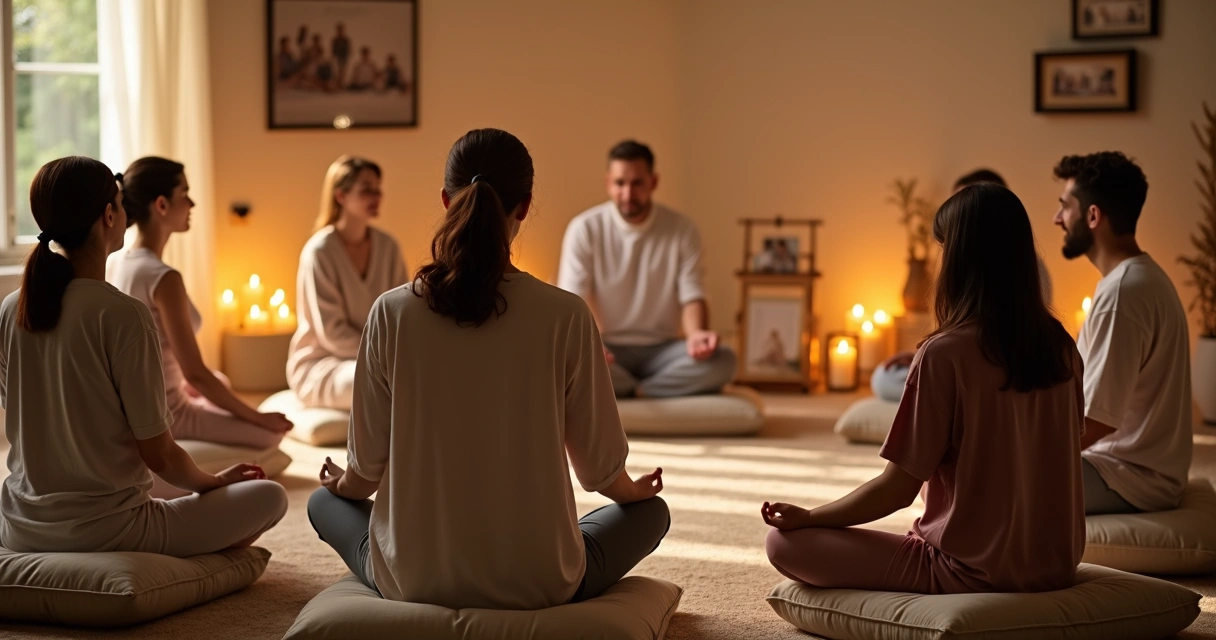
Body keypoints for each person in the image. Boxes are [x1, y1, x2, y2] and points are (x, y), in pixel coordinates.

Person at [306, 128, 669, 609]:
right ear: (525, 205)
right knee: (651, 514)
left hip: (411, 578)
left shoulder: (390, 313)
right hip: (541, 580)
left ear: (445, 200)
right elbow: (601, 473)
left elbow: (364, 474)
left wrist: (340, 485)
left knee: (321, 502)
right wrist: (633, 491)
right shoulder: (566, 314)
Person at [763, 183, 1085, 594]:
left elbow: (896, 490)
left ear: (960, 260)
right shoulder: (1062, 345)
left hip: (967, 571)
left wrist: (811, 518)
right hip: (1055, 568)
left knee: (783, 544)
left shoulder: (944, 353)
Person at [0, 156, 287, 556]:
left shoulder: (12, 307)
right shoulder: (122, 314)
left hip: (20, 527)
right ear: (109, 215)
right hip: (112, 530)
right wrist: (216, 483)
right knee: (270, 496)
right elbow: (160, 455)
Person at [107, 157, 291, 449]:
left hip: (137, 400)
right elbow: (194, 372)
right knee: (270, 435)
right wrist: (259, 417)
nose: (192, 204)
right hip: (168, 412)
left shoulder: (119, 261)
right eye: (184, 194)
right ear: (162, 205)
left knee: (220, 381)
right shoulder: (163, 277)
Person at [1053, 151, 1191, 514]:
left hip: (1127, 476)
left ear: (1093, 215)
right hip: (1125, 467)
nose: (1057, 218)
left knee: (967, 473)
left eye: (1065, 207)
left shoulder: (1124, 293)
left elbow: (1095, 421)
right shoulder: (1137, 279)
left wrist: (1023, 450)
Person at [557, 140, 735, 398]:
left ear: (653, 182)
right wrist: (590, 345)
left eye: (637, 183)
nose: (628, 194)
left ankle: (637, 392)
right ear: (608, 183)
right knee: (566, 358)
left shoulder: (682, 229)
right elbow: (573, 302)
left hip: (663, 351)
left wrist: (696, 335)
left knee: (724, 360)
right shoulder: (584, 228)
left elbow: (692, 294)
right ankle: (654, 390)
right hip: (605, 348)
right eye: (620, 183)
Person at [871, 168, 1053, 401]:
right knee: (885, 375)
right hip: (982, 367)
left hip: (1011, 362)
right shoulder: (1063, 347)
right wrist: (920, 358)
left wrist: (932, 360)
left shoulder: (1028, 270)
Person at [287, 156, 408, 410]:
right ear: (340, 196)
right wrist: (386, 357)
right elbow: (332, 334)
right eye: (366, 190)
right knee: (379, 383)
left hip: (381, 359)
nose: (376, 197)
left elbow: (402, 311)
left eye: (378, 189)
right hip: (323, 366)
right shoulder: (319, 252)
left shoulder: (388, 247)